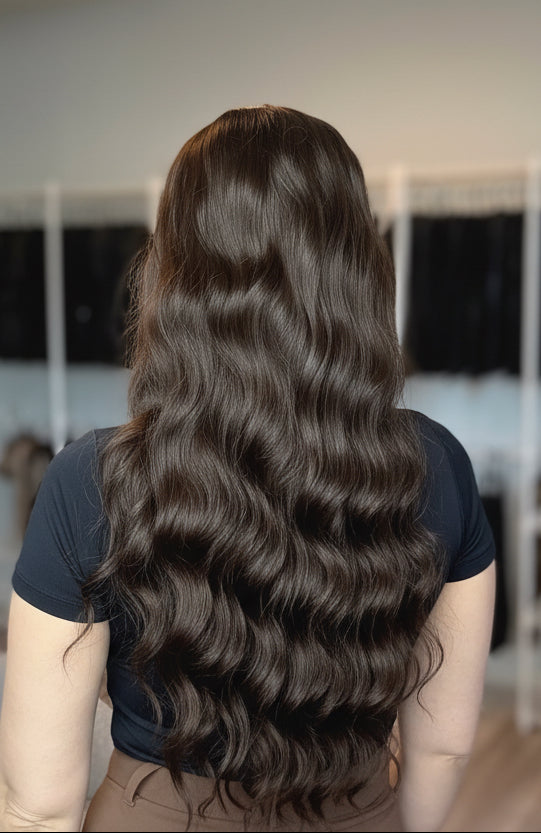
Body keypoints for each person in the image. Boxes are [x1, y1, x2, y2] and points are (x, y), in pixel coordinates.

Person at [0, 105, 495, 833]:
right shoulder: (436, 465)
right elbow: (443, 748)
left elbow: (39, 805)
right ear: (357, 263)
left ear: (175, 269)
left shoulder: (90, 480)